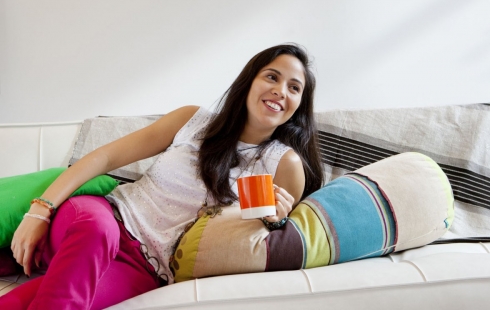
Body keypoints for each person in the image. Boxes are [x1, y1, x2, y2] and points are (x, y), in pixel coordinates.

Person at [0, 43, 324, 309]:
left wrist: (276, 221)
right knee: (96, 233)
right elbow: (105, 157)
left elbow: (264, 243)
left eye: (294, 88)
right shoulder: (193, 120)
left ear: (299, 104)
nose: (281, 91)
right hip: (103, 218)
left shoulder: (286, 165)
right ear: (250, 81)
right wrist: (39, 209)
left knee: (50, 299)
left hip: (147, 268)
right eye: (272, 77)